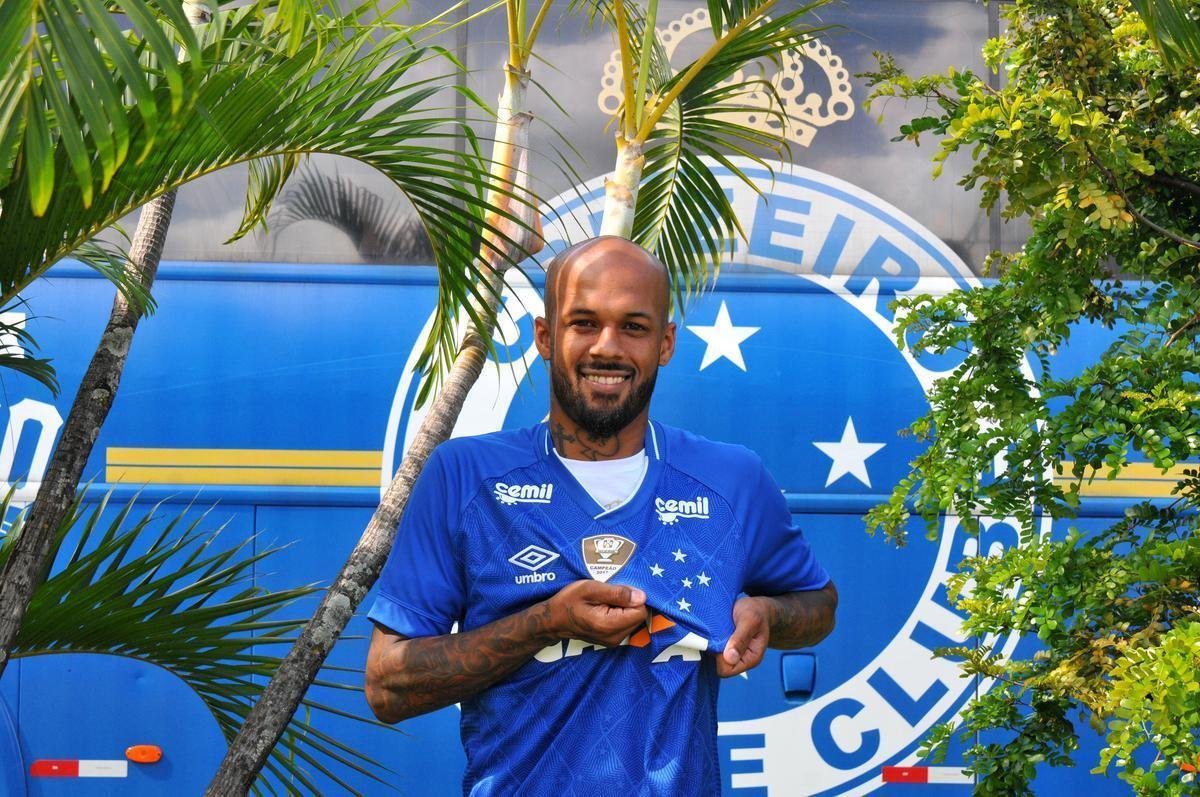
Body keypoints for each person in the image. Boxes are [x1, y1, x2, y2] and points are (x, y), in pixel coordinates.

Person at [365, 236, 837, 796]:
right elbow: (387, 687)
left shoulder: (733, 479)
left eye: (633, 327)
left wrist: (767, 614)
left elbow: (819, 605)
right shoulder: (465, 477)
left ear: (664, 344)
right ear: (546, 337)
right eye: (584, 323)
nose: (607, 347)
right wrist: (546, 623)